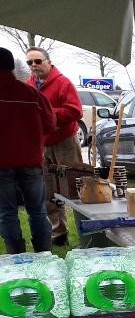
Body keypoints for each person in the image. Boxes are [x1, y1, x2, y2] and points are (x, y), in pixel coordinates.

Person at [24, 47, 82, 248]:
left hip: (65, 141)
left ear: (48, 62)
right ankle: (59, 232)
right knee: (49, 192)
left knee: (74, 188)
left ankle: (85, 228)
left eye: (38, 61)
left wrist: (48, 113)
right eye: (29, 63)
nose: (34, 66)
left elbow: (75, 111)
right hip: (44, 143)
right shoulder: (29, 84)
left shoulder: (63, 83)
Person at [0, 47, 56, 254]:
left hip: (1, 163)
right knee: (37, 211)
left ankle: (16, 257)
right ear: (12, 67)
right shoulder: (31, 93)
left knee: (7, 212)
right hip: (30, 160)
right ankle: (44, 254)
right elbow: (50, 124)